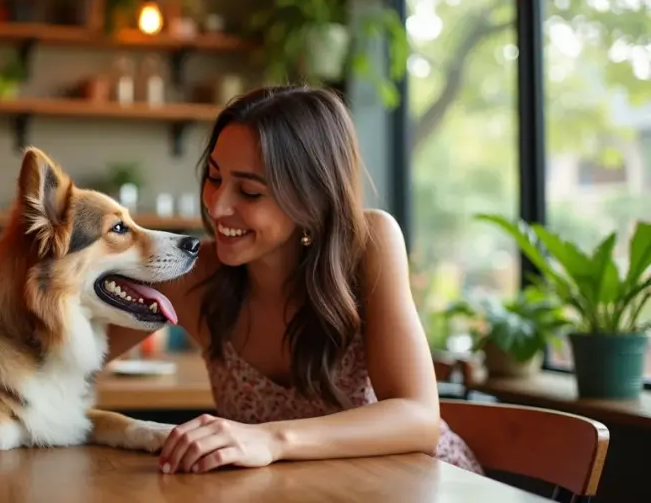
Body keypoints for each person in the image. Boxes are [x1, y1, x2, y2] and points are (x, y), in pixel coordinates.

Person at [106, 85, 483, 475]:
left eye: (250, 192)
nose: (217, 206)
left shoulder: (370, 244)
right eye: (215, 177)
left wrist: (270, 438)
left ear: (311, 198)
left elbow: (418, 418)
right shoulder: (193, 273)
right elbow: (61, 358)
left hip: (421, 486)